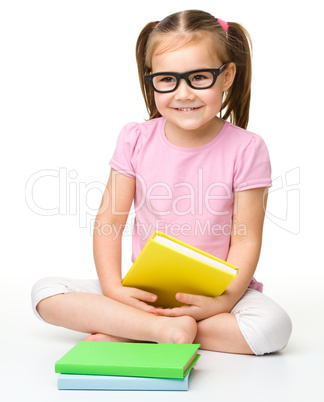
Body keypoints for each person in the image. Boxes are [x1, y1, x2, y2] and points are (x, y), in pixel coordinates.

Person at [31, 10, 292, 355]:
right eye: (167, 79)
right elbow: (110, 221)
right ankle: (158, 327)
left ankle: (131, 328)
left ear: (227, 76)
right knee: (45, 293)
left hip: (216, 297)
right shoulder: (135, 138)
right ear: (151, 77)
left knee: (273, 328)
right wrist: (113, 289)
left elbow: (246, 238)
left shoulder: (247, 148)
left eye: (199, 77)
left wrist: (222, 301)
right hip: (143, 291)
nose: (183, 93)